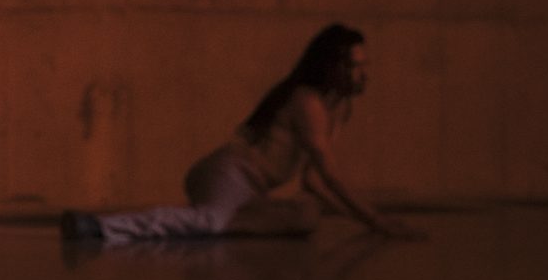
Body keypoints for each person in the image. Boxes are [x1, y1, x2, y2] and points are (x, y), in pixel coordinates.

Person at [60, 24, 422, 245]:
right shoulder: (307, 102)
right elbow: (329, 173)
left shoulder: (340, 108)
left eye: (364, 66)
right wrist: (377, 221)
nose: (361, 74)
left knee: (306, 215)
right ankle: (97, 226)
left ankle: (229, 219)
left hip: (250, 192)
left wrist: (362, 223)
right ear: (333, 66)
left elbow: (312, 182)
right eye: (353, 66)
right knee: (211, 222)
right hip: (227, 173)